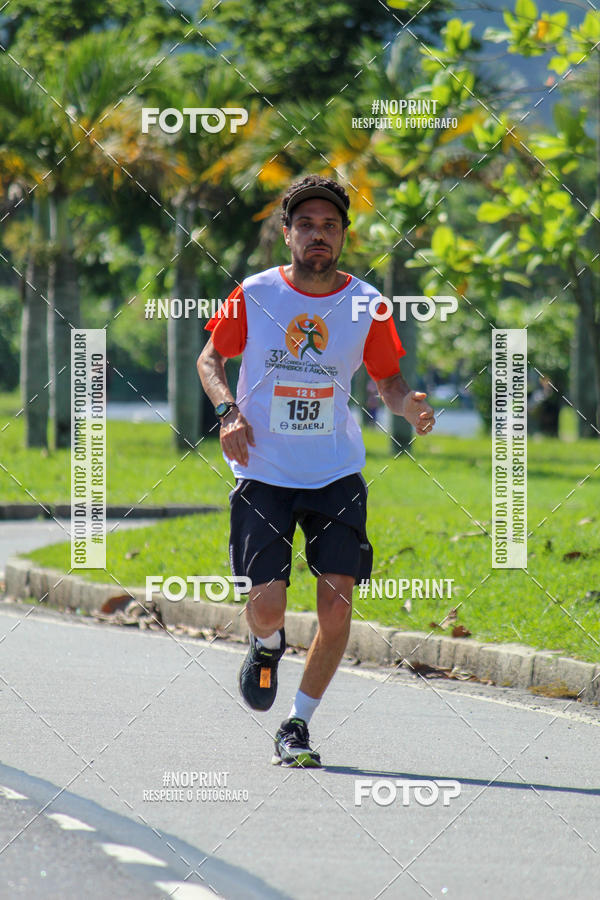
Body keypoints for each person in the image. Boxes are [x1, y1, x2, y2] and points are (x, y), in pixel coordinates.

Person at [197, 174, 435, 768]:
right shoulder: (254, 293)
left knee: (337, 606)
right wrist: (227, 411)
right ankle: (266, 642)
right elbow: (210, 359)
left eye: (329, 226)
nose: (318, 236)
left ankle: (297, 724)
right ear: (287, 234)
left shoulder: (366, 303)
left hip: (335, 473)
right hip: (264, 471)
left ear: (344, 237)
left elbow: (389, 383)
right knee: (270, 604)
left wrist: (410, 407)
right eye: (306, 225)